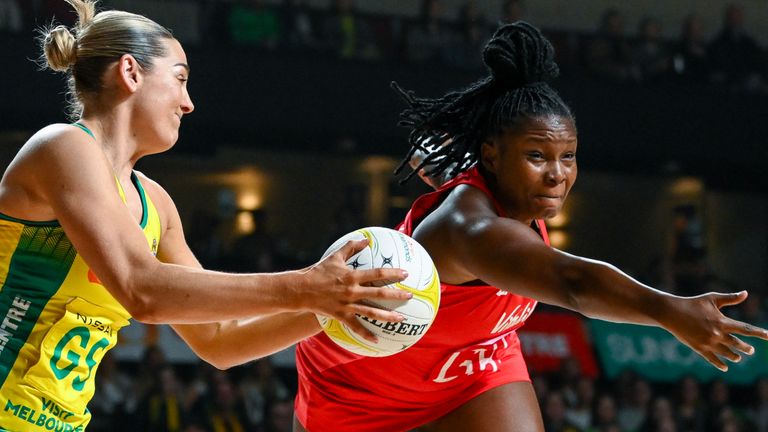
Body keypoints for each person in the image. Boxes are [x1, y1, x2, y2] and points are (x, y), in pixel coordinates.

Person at [293, 21, 768, 431]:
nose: (557, 174)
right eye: (537, 156)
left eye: (568, 157)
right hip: (362, 381)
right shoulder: (471, 230)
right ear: (493, 155)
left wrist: (433, 161)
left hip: (474, 364)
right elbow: (575, 283)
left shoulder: (507, 191)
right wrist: (669, 310)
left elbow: (451, 169)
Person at [0, 1, 411, 430]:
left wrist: (335, 305)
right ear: (130, 72)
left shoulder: (155, 203)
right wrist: (306, 286)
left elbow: (220, 340)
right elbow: (141, 289)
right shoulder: (63, 147)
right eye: (180, 80)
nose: (188, 103)